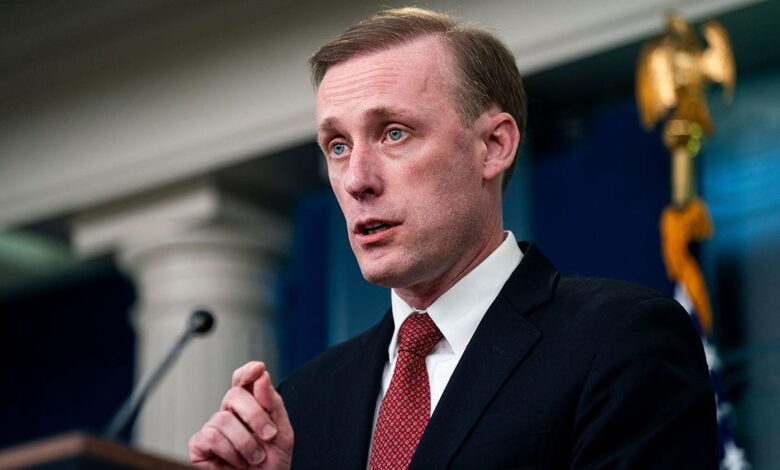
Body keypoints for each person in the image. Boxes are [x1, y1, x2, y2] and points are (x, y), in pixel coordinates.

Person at [189, 7, 718, 469]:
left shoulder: (620, 339)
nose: (356, 180)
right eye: (337, 146)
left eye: (394, 132)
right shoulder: (304, 404)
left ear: (493, 146)